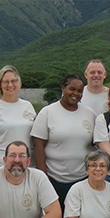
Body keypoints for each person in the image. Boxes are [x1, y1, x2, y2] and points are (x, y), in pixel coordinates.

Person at [31, 75, 97, 206]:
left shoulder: (90, 114)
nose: (75, 94)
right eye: (71, 89)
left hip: (83, 180)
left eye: (79, 91)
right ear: (63, 88)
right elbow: (38, 147)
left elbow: (96, 145)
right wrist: (44, 179)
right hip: (55, 180)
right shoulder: (47, 112)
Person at [0, 65, 36, 169]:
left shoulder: (28, 106)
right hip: (2, 167)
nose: (10, 84)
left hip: (26, 166)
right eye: (6, 82)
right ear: (0, 85)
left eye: (14, 81)